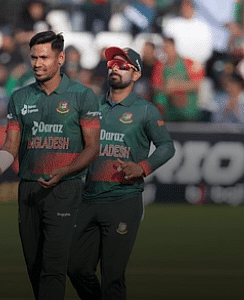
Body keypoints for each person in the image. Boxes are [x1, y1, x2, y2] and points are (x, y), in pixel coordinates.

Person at [0, 30, 100, 300]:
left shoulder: (81, 96)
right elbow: (10, 145)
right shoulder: (20, 97)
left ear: (61, 58)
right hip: (29, 191)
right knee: (35, 268)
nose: (38, 63)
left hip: (65, 189)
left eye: (44, 57)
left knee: (53, 268)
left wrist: (65, 170)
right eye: (33, 57)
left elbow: (93, 147)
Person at [66, 46, 175, 300]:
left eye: (123, 66)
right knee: (75, 267)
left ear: (136, 75)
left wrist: (142, 167)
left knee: (112, 277)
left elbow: (167, 146)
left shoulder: (145, 110)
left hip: (123, 200)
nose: (115, 69)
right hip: (90, 198)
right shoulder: (93, 107)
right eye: (113, 64)